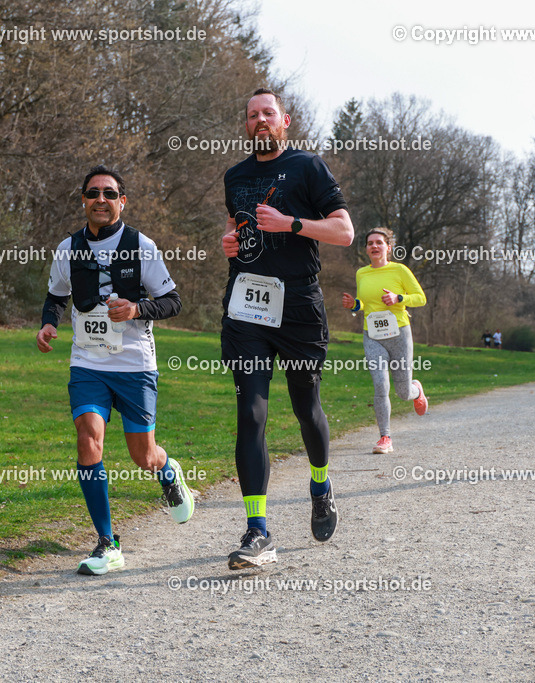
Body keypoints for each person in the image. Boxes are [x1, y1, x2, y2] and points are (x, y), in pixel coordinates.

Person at [220, 88, 354, 569]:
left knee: (305, 406)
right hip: (247, 307)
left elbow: (344, 232)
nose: (260, 120)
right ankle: (257, 530)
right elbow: (247, 233)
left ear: (285, 121)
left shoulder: (307, 167)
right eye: (252, 114)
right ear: (246, 123)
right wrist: (234, 243)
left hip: (297, 304)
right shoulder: (234, 177)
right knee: (251, 412)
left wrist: (291, 224)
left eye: (268, 114)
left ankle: (320, 483)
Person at [37, 165, 194, 576]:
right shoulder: (67, 249)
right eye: (93, 194)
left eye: (109, 194)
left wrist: (139, 308)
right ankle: (108, 543)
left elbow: (173, 301)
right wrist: (49, 322)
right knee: (89, 439)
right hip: (88, 362)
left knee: (143, 456)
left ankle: (168, 469)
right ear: (83, 201)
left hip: (134, 364)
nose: (101, 200)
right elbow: (55, 296)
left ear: (122, 201)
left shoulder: (142, 246)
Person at [341, 228, 428, 455]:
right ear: (366, 249)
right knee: (380, 385)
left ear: (388, 247)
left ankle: (416, 390)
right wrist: (354, 305)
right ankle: (385, 437)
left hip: (399, 334)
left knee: (402, 392)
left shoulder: (400, 270)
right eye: (370, 243)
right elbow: (365, 304)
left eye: (379, 242)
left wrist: (399, 298)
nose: (374, 246)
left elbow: (420, 298)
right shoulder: (362, 273)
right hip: (373, 336)